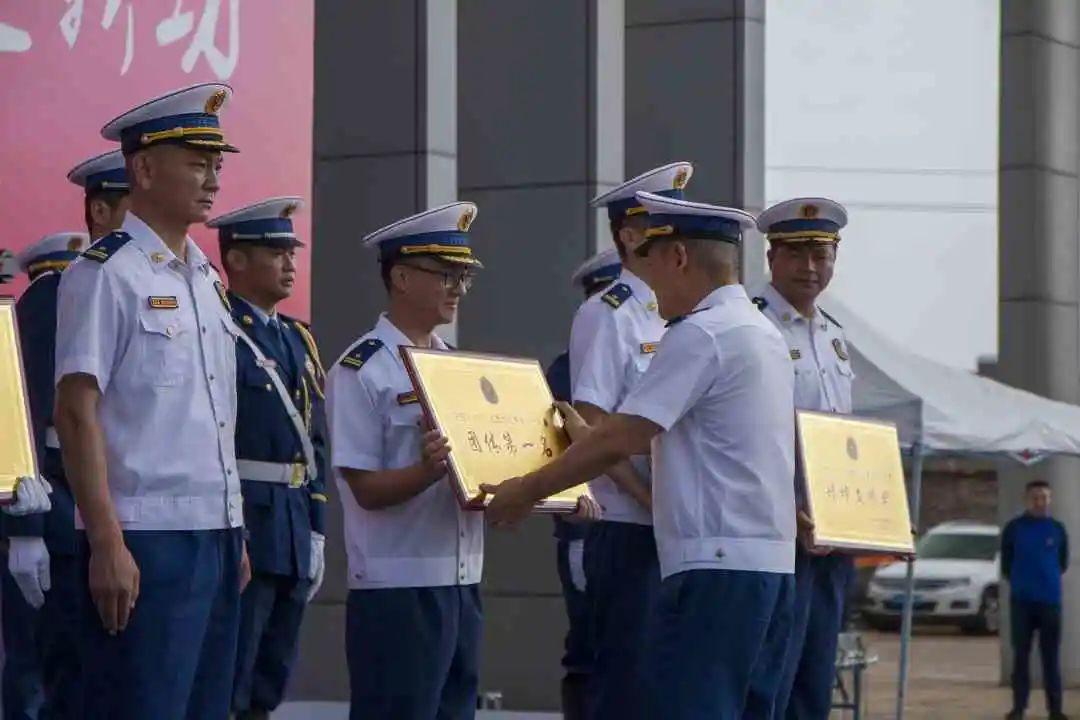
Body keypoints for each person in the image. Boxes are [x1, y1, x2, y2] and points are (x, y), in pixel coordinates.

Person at [484, 191, 796, 719]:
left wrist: (524, 490)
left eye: (649, 262)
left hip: (713, 574)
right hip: (767, 568)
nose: (647, 285)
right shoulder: (761, 332)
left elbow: (618, 438)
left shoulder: (701, 333)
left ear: (677, 257)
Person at [53, 83, 247, 720]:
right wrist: (106, 540)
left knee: (205, 707)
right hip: (146, 534)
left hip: (216, 536)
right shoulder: (106, 272)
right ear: (142, 167)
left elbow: (214, 415)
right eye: (196, 162)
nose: (212, 178)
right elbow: (77, 409)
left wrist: (233, 527)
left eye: (215, 163)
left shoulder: (207, 281)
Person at [326, 202, 488, 720]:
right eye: (444, 274)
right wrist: (426, 471)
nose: (457, 288)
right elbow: (365, 490)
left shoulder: (457, 366)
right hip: (399, 588)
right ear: (400, 276)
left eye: (463, 276)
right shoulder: (362, 369)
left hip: (462, 581)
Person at [569, 162, 692, 720]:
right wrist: (647, 500)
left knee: (663, 682)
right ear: (629, 234)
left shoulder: (677, 314)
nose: (674, 234)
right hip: (626, 525)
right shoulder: (608, 313)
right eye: (661, 223)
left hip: (671, 526)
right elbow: (590, 425)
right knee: (624, 683)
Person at [207, 197, 329, 720]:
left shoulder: (295, 337)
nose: (290, 263)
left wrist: (318, 528)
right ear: (235, 260)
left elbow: (314, 443)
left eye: (292, 252)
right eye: (275, 252)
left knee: (271, 675)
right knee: (233, 671)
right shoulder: (220, 330)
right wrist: (233, 529)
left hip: (294, 521)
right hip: (249, 520)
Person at [754, 197, 854, 720]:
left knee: (815, 681)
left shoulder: (834, 336)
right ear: (772, 257)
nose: (810, 267)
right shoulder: (753, 326)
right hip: (777, 530)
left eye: (822, 255)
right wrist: (788, 511)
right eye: (797, 254)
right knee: (772, 679)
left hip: (833, 535)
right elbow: (749, 436)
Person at [4, 230, 100, 720]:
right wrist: (26, 529)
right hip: (52, 509)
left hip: (72, 511)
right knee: (40, 669)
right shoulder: (49, 302)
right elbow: (24, 416)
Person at [545, 247, 621, 720]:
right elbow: (556, 448)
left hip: (628, 525)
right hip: (586, 524)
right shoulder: (566, 370)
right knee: (592, 652)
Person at [1002, 480, 1069, 720]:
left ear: (1050, 500)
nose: (1039, 502)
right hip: (1022, 602)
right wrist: (1023, 583)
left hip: (1050, 602)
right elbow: (1006, 564)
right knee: (1021, 656)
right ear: (1026, 499)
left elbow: (1062, 563)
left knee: (1051, 657)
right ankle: (1019, 708)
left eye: (1044, 497)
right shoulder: (1014, 528)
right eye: (1034, 497)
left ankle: (1055, 709)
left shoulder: (1057, 529)